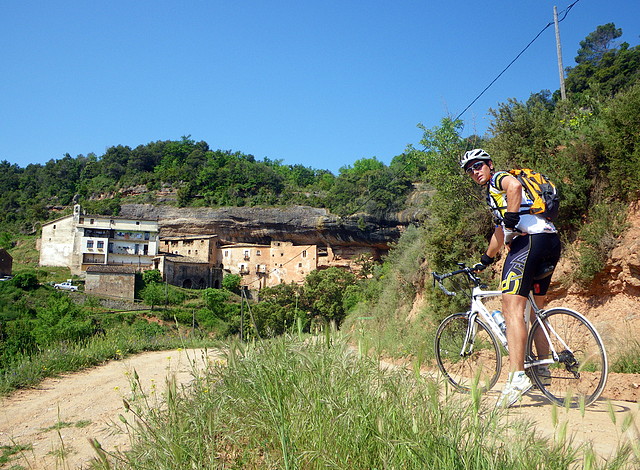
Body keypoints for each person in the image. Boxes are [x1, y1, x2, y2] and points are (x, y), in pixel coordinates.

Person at [460, 149, 562, 407]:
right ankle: (542, 369)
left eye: (478, 165)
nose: (475, 171)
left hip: (528, 244)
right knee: (534, 310)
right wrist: (485, 260)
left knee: (511, 309)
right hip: (550, 241)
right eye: (470, 169)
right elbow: (498, 232)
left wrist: (512, 219)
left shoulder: (499, 180)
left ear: (489, 165)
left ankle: (517, 377)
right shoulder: (495, 199)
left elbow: (514, 187)